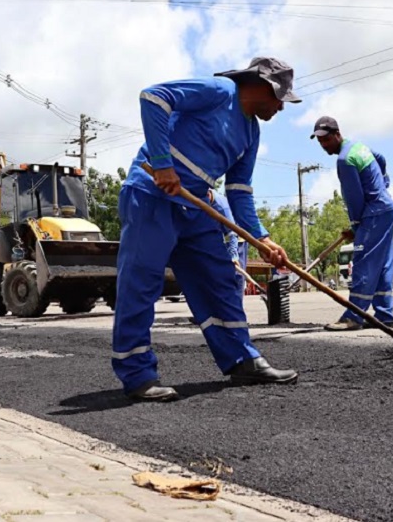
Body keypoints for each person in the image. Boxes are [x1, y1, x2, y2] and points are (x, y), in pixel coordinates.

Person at [113, 56, 301, 402]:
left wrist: (262, 238)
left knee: (220, 279)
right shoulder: (219, 90)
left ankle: (242, 359)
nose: (280, 108)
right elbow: (153, 97)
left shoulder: (251, 133)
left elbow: (239, 190)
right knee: (141, 283)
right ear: (262, 87)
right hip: (152, 194)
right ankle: (137, 373)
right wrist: (163, 164)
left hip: (194, 204)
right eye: (279, 99)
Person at [310, 116, 393, 331]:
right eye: (320, 141)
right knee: (382, 265)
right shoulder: (359, 147)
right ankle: (384, 316)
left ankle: (354, 316)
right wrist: (384, 183)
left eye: (326, 139)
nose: (323, 145)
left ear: (337, 134)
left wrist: (356, 226)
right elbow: (381, 158)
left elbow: (354, 198)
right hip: (387, 210)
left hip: (374, 214)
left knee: (363, 263)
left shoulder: (344, 160)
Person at [208, 188, 246, 298]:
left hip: (236, 239)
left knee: (236, 273)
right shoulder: (203, 202)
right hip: (222, 239)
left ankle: (237, 303)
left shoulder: (221, 206)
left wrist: (233, 255)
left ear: (208, 193)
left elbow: (232, 232)